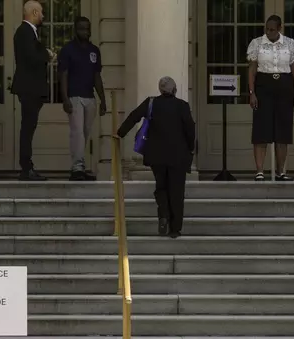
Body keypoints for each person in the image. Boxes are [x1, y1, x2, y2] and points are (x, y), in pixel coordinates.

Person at [114, 77, 195, 238]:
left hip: (156, 155)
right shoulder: (182, 106)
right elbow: (190, 129)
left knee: (161, 187)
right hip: (178, 156)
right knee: (177, 191)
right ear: (175, 89)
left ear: (160, 89)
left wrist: (120, 133)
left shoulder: (151, 103)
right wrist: (190, 148)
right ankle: (175, 229)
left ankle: (163, 214)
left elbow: (134, 116)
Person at [247, 15, 294, 181]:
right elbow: (252, 70)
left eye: (272, 29)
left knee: (283, 130)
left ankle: (281, 171)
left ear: (279, 28)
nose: (269, 32)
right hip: (264, 85)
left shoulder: (290, 43)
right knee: (261, 129)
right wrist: (252, 93)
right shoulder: (256, 43)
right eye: (267, 29)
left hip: (284, 86)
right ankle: (260, 171)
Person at [58, 16, 107, 181]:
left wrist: (103, 100)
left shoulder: (94, 51)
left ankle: (79, 165)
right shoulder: (67, 50)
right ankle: (77, 168)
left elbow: (97, 77)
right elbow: (63, 75)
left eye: (87, 28)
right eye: (81, 28)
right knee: (77, 132)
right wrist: (65, 98)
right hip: (74, 96)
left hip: (90, 97)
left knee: (85, 133)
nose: (85, 31)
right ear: (75, 29)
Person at [11, 0, 55, 181]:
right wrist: (48, 55)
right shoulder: (24, 32)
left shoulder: (29, 33)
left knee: (29, 127)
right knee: (27, 128)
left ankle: (27, 167)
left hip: (31, 87)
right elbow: (30, 57)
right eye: (42, 13)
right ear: (34, 13)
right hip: (29, 88)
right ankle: (26, 168)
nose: (43, 16)